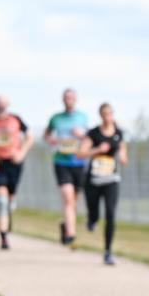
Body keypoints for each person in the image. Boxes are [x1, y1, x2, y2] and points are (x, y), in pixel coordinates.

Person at [77, 102, 127, 265]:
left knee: (111, 214)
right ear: (100, 115)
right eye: (104, 114)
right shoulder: (93, 133)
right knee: (94, 213)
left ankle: (107, 251)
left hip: (111, 180)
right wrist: (97, 150)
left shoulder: (118, 133)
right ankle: (92, 219)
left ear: (112, 114)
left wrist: (123, 157)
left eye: (109, 114)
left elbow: (122, 149)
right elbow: (80, 153)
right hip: (93, 180)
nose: (107, 117)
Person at [43, 88, 89, 247]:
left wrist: (81, 135)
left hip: (78, 162)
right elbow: (46, 135)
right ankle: (71, 234)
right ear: (63, 100)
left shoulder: (83, 117)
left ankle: (65, 224)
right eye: (66, 97)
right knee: (68, 197)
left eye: (71, 97)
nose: (69, 100)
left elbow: (90, 138)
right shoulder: (56, 118)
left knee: (73, 201)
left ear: (75, 99)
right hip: (61, 161)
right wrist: (51, 140)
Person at [0, 95, 33, 249]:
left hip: (13, 163)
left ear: (7, 104)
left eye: (3, 104)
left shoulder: (16, 119)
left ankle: (8, 212)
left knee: (10, 200)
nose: (1, 106)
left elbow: (29, 137)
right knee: (2, 200)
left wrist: (22, 153)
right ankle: (3, 237)